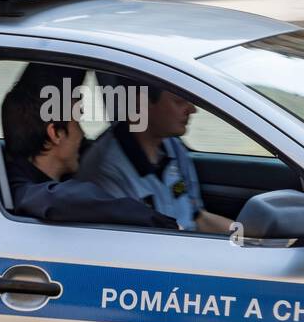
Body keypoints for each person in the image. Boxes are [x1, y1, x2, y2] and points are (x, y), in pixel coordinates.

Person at [1, 63, 179, 229]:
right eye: (78, 121)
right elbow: (62, 199)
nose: (82, 134)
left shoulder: (20, 176)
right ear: (55, 133)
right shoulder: (22, 191)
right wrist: (165, 226)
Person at [77, 84, 234, 234]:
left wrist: (245, 233)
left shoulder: (173, 146)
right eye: (179, 101)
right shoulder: (106, 171)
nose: (192, 109)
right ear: (142, 103)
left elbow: (197, 218)